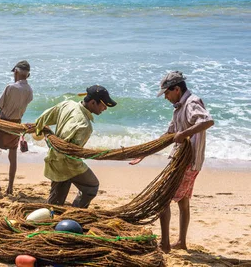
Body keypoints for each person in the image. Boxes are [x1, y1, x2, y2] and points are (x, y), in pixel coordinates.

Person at [130, 71, 213, 253]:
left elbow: (207, 121)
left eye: (167, 93)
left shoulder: (191, 102)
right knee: (183, 201)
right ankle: (181, 242)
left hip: (187, 163)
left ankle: (165, 245)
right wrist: (144, 153)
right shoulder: (179, 107)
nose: (165, 97)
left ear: (176, 89)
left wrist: (184, 134)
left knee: (163, 199)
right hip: (185, 162)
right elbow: (169, 135)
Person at [33, 85, 117, 208]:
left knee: (55, 204)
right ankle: (75, 213)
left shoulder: (68, 105)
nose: (105, 108)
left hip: (55, 160)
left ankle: (57, 217)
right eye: (103, 105)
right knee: (91, 186)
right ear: (93, 102)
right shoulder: (84, 125)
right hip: (67, 164)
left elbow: (44, 117)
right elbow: (68, 152)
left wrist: (39, 131)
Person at [0, 60, 33, 195]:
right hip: (16, 125)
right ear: (27, 75)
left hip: (3, 124)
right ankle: (10, 187)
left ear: (16, 72)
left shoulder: (11, 87)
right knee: (12, 155)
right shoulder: (29, 90)